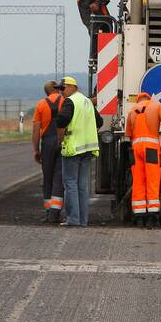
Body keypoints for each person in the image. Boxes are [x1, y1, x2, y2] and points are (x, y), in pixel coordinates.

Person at [55, 76, 101, 226]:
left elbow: (61, 121)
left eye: (63, 88)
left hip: (73, 148)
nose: (61, 92)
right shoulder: (87, 101)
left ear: (72, 87)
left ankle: (73, 219)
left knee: (70, 184)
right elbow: (99, 122)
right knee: (82, 185)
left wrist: (61, 139)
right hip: (88, 148)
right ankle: (83, 220)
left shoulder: (71, 101)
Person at [125, 92, 161, 228]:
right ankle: (152, 217)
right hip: (151, 149)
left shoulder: (132, 110)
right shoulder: (156, 105)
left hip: (135, 149)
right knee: (152, 180)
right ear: (149, 98)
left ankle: (139, 217)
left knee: (138, 181)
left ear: (138, 99)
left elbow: (128, 134)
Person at [31, 80, 64, 223]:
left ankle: (48, 211)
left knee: (48, 178)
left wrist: (36, 150)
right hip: (62, 141)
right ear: (57, 89)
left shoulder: (41, 105)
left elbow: (36, 130)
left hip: (47, 143)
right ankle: (56, 213)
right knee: (59, 177)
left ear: (46, 92)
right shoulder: (66, 102)